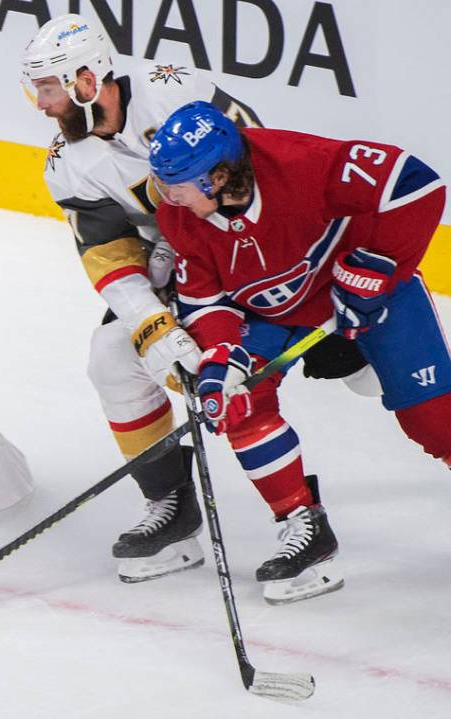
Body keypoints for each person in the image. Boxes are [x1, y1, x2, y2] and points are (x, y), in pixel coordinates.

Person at [149, 100, 451, 603]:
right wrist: (221, 356)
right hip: (267, 315)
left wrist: (383, 267)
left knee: (433, 419)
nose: (169, 199)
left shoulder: (300, 164)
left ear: (218, 177)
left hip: (362, 295)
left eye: (178, 185)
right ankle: (303, 525)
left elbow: (415, 182)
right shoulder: (181, 218)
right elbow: (203, 298)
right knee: (240, 402)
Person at [20, 13, 267, 583]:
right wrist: (152, 323)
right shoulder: (69, 164)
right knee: (111, 357)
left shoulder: (172, 90)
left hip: (267, 249)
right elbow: (108, 255)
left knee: (362, 363)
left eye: (50, 89)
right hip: (185, 271)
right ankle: (173, 509)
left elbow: (260, 162)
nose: (41, 105)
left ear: (87, 80)